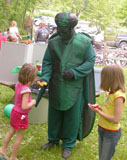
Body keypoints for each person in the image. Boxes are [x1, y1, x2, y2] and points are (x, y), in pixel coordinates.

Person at [36, 12, 96, 159]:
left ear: (71, 28)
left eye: (63, 30)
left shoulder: (84, 42)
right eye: (59, 29)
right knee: (54, 114)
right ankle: (53, 140)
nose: (60, 33)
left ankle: (68, 144)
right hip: (57, 84)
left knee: (72, 116)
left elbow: (90, 61)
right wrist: (45, 77)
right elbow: (48, 62)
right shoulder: (53, 42)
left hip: (74, 87)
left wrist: (75, 72)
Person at [0, 63, 37, 160]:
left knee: (11, 132)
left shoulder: (18, 84)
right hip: (21, 115)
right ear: (31, 79)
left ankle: (3, 150)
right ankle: (13, 157)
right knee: (19, 137)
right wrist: (32, 102)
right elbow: (25, 106)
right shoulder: (26, 91)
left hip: (14, 112)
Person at [88, 64, 126, 160]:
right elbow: (109, 110)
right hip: (102, 128)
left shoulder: (118, 97)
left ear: (110, 79)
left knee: (105, 158)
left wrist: (98, 112)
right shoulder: (110, 92)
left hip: (111, 132)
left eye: (104, 77)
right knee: (102, 156)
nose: (102, 80)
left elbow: (116, 119)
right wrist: (100, 108)